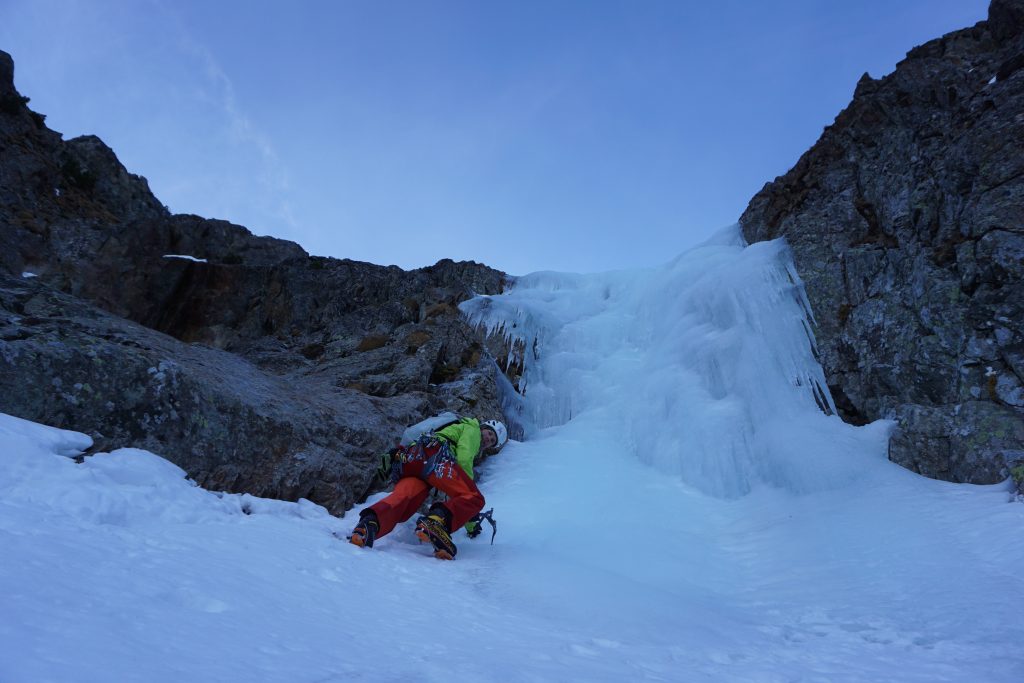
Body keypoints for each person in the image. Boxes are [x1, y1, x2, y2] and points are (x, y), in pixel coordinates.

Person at [349, 416, 508, 559]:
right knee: (474, 498)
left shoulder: (457, 428)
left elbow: (452, 490)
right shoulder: (472, 429)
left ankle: (369, 524)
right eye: (489, 433)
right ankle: (435, 523)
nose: (488, 439)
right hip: (435, 457)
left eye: (492, 441)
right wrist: (470, 508)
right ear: (482, 428)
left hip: (413, 459)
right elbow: (464, 458)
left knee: (404, 500)